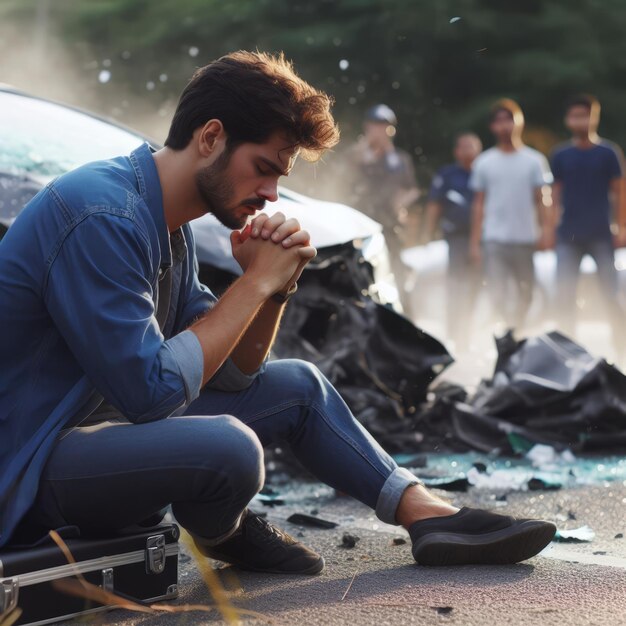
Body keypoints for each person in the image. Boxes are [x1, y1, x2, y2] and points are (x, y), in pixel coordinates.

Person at [0, 52, 555, 572]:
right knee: (228, 448)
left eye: (279, 178)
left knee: (299, 386)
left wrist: (272, 289)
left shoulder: (169, 224)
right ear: (211, 136)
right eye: (263, 168)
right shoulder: (103, 215)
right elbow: (149, 394)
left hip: (104, 430)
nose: (270, 194)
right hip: (31, 462)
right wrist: (256, 281)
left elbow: (236, 373)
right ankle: (223, 533)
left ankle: (426, 515)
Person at [469, 99, 554, 333]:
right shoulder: (484, 162)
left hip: (525, 238)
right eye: (499, 121)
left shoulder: (534, 161)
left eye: (509, 120)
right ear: (492, 127)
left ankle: (519, 330)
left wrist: (547, 230)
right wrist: (475, 242)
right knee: (497, 291)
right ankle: (508, 330)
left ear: (519, 123)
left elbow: (543, 199)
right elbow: (479, 204)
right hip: (494, 238)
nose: (505, 126)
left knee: (525, 291)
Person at [550, 94, 626, 354]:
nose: (579, 121)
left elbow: (620, 192)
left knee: (611, 295)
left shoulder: (608, 153)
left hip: (601, 234)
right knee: (564, 296)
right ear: (567, 119)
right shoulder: (561, 155)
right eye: (575, 116)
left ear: (594, 118)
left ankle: (621, 347)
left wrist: (622, 226)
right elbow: (554, 195)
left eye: (584, 115)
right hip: (568, 236)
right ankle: (567, 351)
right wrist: (549, 229)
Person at [343, 104, 420, 317]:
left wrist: (401, 203)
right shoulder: (357, 155)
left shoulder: (399, 159)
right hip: (362, 223)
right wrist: (366, 153)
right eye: (375, 125)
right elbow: (344, 180)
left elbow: (412, 189)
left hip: (390, 224)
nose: (380, 131)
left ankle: (407, 318)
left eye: (384, 126)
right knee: (363, 271)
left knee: (397, 271)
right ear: (367, 127)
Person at [424, 133, 483, 351]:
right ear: (456, 151)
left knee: (476, 287)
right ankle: (455, 333)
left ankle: (470, 332)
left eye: (472, 147)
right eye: (464, 147)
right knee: (456, 287)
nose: (468, 151)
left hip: (482, 239)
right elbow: (434, 205)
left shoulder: (483, 173)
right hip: (457, 239)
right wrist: (428, 232)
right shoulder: (447, 175)